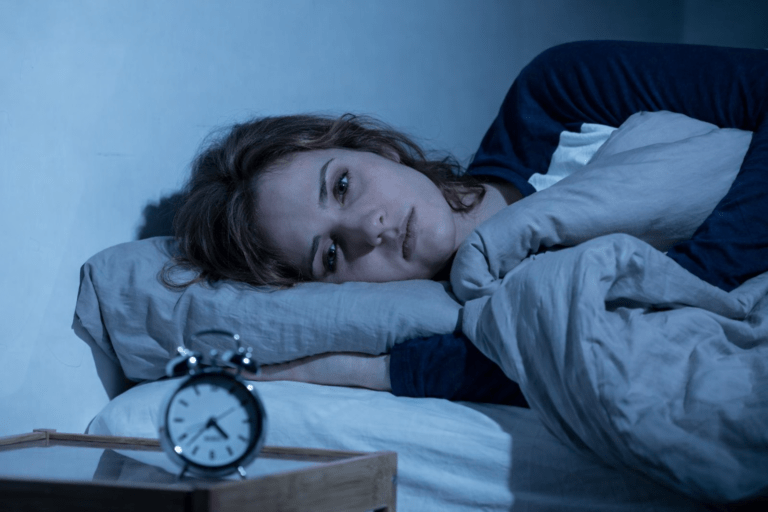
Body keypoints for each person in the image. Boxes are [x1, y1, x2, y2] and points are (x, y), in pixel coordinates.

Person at [169, 40, 768, 404]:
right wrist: (332, 367)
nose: (368, 228)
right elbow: (564, 366)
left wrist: (690, 282)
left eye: (343, 185)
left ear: (380, 148)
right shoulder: (477, 320)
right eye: (330, 254)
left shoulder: (558, 94)